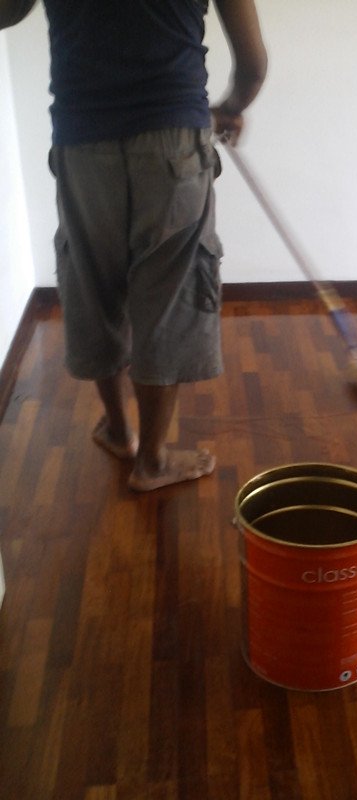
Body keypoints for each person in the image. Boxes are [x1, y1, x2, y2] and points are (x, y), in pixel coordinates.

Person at [1, 0, 267, 491]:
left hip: (83, 142)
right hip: (173, 139)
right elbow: (252, 66)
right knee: (169, 297)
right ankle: (153, 462)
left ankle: (120, 431)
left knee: (94, 284)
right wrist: (230, 107)